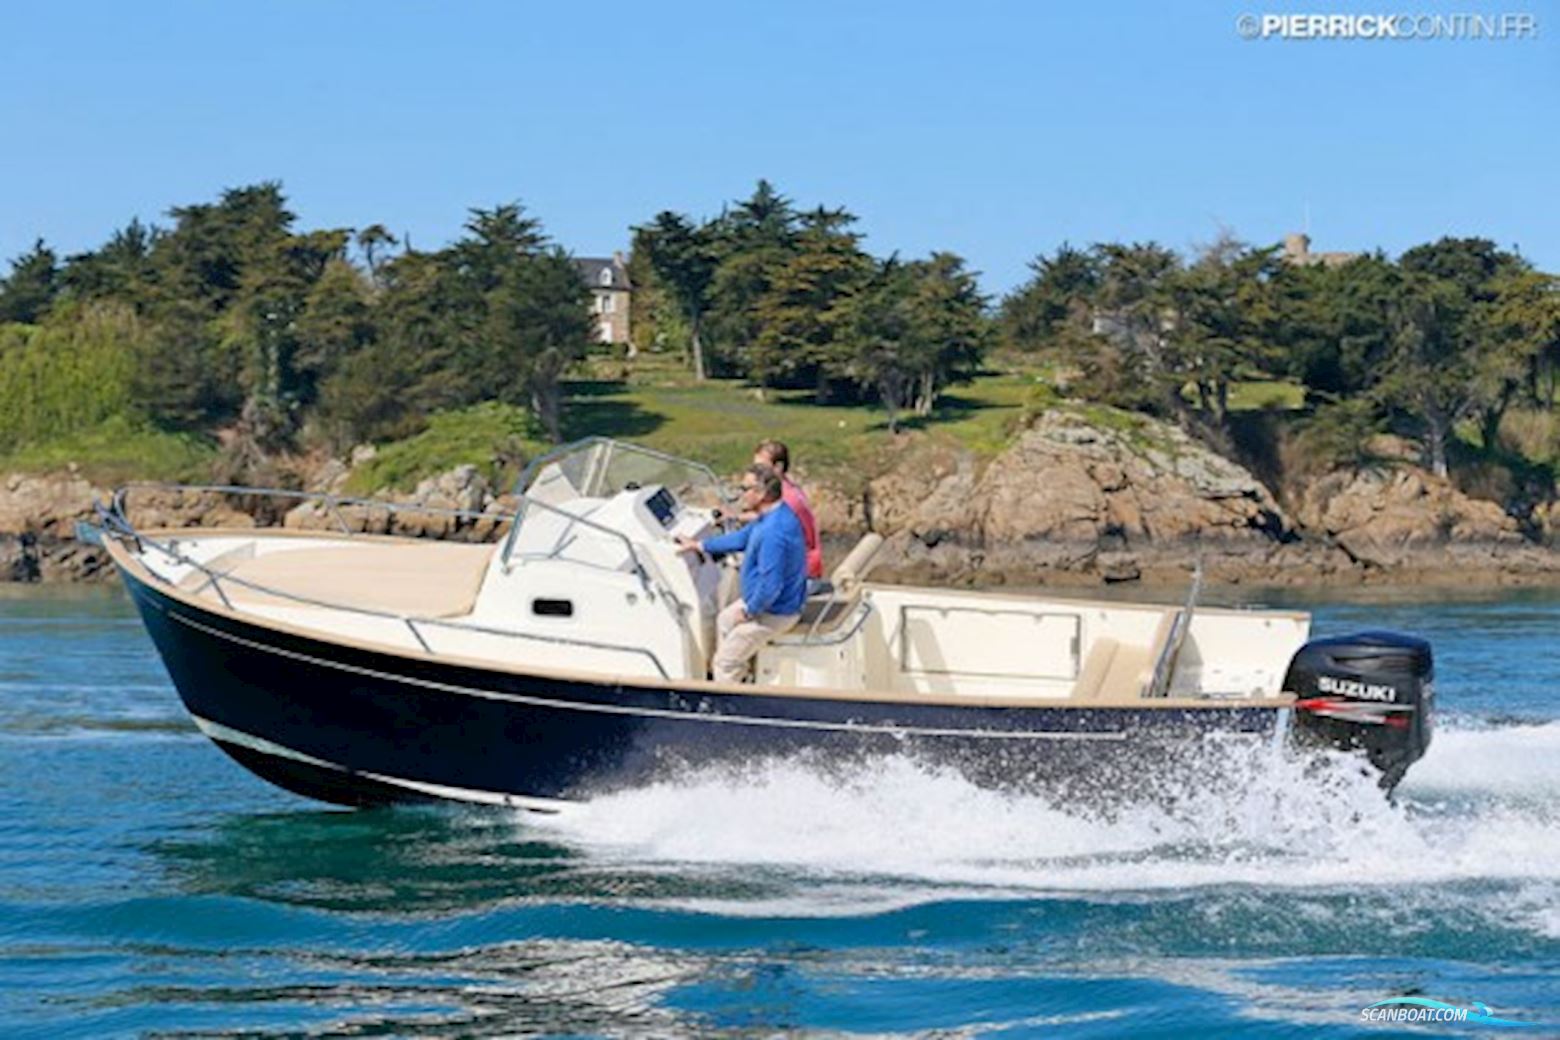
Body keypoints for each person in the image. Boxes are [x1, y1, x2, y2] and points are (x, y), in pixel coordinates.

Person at [677, 463, 807, 683]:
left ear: (762, 493)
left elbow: (771, 586)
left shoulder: (773, 532)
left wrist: (749, 612)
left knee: (724, 663)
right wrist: (699, 546)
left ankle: (729, 704)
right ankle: (740, 676)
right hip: (766, 602)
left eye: (744, 489)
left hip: (776, 611)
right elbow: (741, 539)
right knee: (724, 620)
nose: (740, 495)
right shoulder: (773, 516)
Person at [752, 440, 823, 581]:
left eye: (761, 467)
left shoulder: (788, 498)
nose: (755, 473)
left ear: (778, 467)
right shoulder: (784, 489)